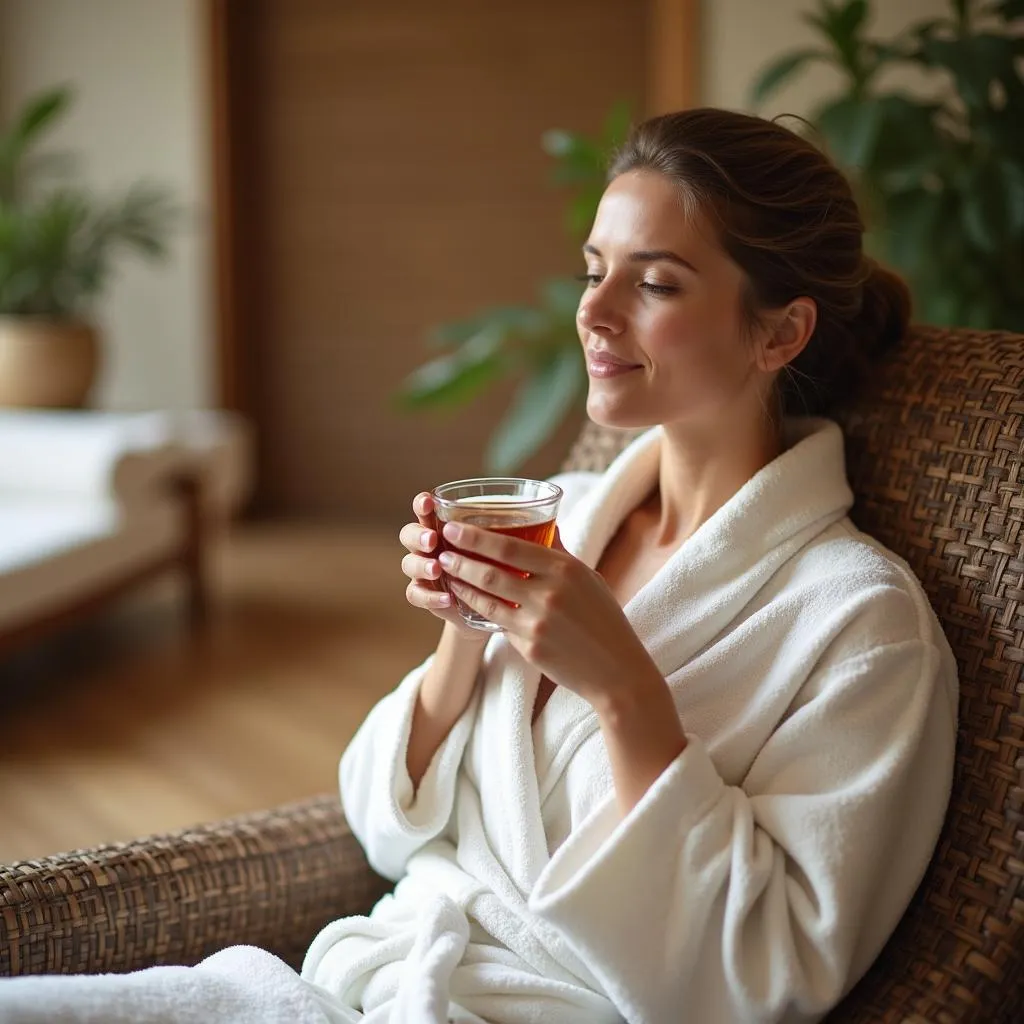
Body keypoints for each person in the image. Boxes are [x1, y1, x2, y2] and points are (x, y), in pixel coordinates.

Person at [0, 108, 958, 1024]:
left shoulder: (860, 625)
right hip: (371, 975)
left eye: (655, 284)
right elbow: (385, 829)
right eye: (594, 269)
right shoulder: (571, 519)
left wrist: (626, 692)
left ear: (781, 332)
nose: (594, 312)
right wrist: (462, 633)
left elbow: (765, 976)